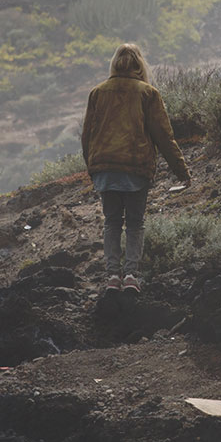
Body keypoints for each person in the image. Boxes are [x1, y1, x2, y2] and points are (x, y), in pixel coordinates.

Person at [82, 43, 190, 294]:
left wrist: (93, 168)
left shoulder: (97, 92)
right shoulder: (147, 93)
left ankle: (111, 277)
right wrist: (181, 171)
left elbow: (87, 135)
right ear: (140, 64)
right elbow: (163, 136)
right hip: (135, 167)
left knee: (111, 222)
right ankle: (131, 275)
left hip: (105, 169)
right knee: (134, 223)